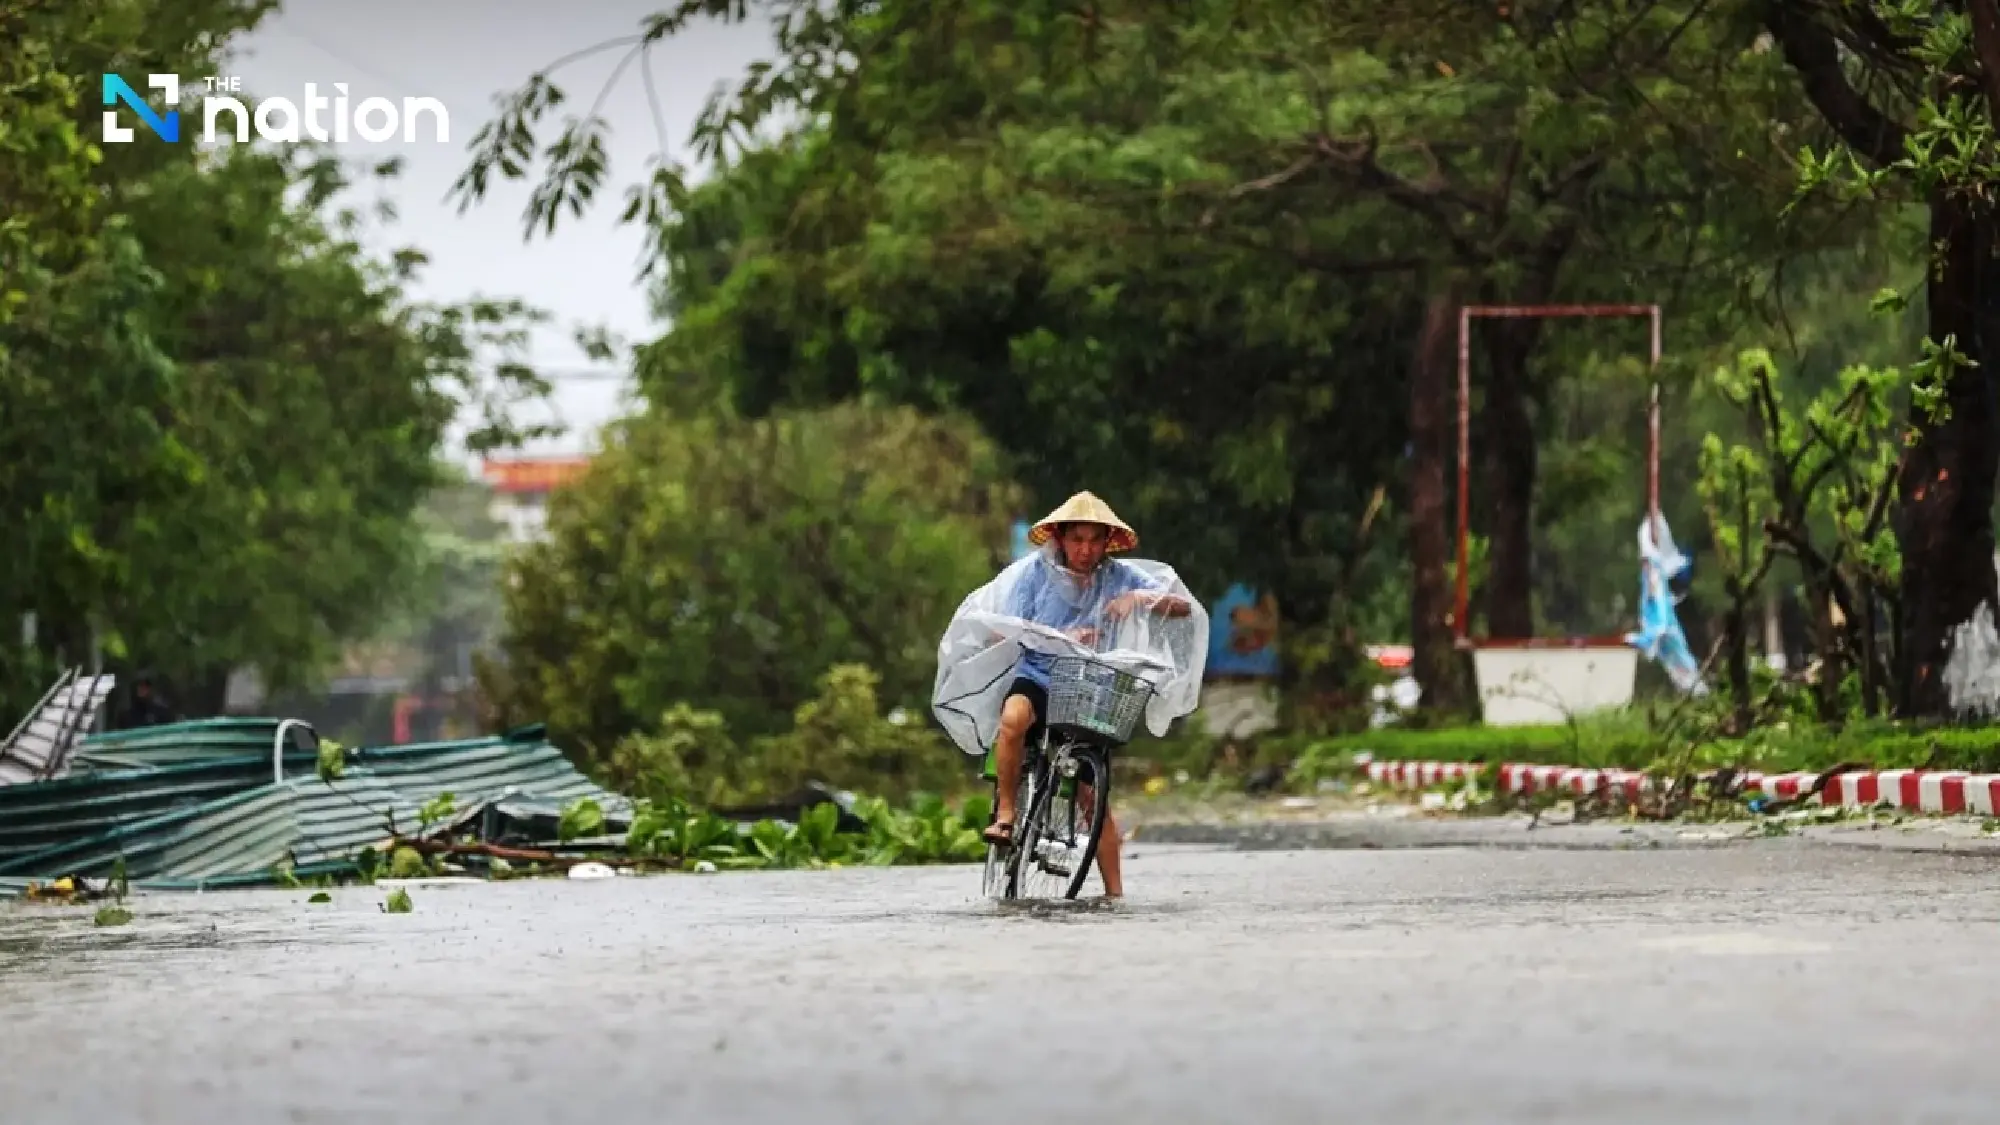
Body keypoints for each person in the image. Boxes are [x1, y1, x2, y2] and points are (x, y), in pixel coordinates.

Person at [983, 491, 1192, 898]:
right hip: (1039, 676)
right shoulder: (1034, 575)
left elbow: (1182, 606)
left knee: (1092, 794)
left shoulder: (1118, 576)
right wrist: (1058, 637)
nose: (1086, 549)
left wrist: (1139, 598)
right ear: (1060, 538)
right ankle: (1006, 815)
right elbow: (999, 627)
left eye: (1095, 540)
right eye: (1078, 539)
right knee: (1012, 721)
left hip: (1088, 688)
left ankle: (1115, 894)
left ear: (1106, 542)